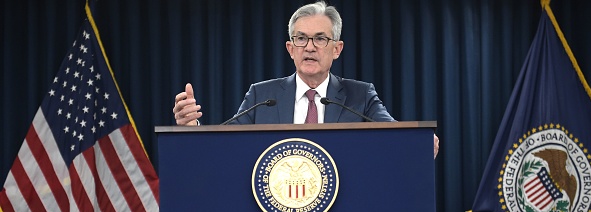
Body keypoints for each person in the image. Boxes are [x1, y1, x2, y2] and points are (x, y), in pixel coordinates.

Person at [172, 1, 439, 158]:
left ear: (337, 49)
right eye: (301, 38)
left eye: (320, 38)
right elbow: (225, 150)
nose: (309, 47)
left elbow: (395, 138)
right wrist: (192, 126)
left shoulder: (360, 97)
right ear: (290, 48)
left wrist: (419, 146)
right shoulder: (261, 96)